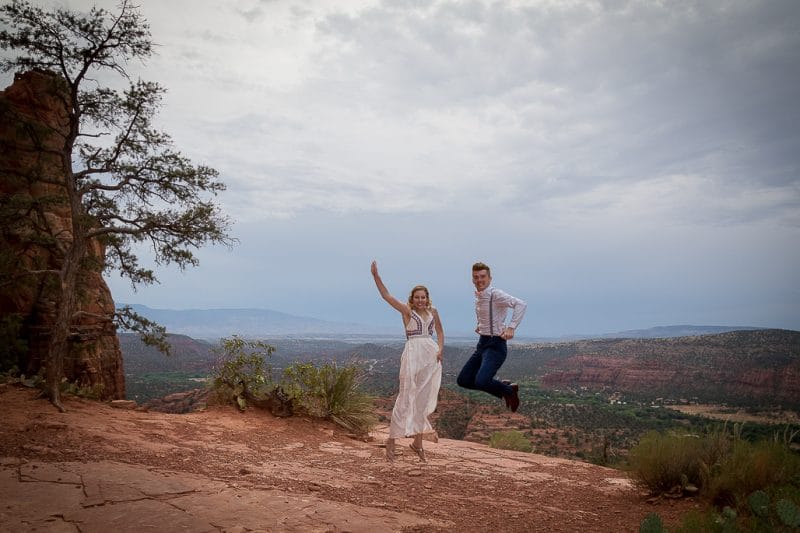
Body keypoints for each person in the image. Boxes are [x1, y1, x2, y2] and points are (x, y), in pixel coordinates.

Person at [371, 260, 444, 462]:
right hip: (412, 353)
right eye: (417, 297)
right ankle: (392, 440)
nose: (420, 300)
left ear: (427, 298)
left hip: (429, 355)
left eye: (423, 297)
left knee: (421, 400)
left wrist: (440, 349)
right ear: (412, 298)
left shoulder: (433, 312)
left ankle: (417, 443)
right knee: (405, 397)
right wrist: (376, 276)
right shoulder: (407, 311)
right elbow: (386, 296)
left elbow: (439, 331)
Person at [457, 262, 527, 412]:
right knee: (463, 380)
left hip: (496, 345)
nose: (479, 280)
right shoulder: (479, 297)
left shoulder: (495, 294)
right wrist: (481, 326)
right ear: (472, 280)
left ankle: (509, 391)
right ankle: (504, 387)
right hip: (482, 343)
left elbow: (520, 304)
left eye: (482, 276)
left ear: (490, 278)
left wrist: (511, 327)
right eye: (476, 277)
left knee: (482, 381)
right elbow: (488, 315)